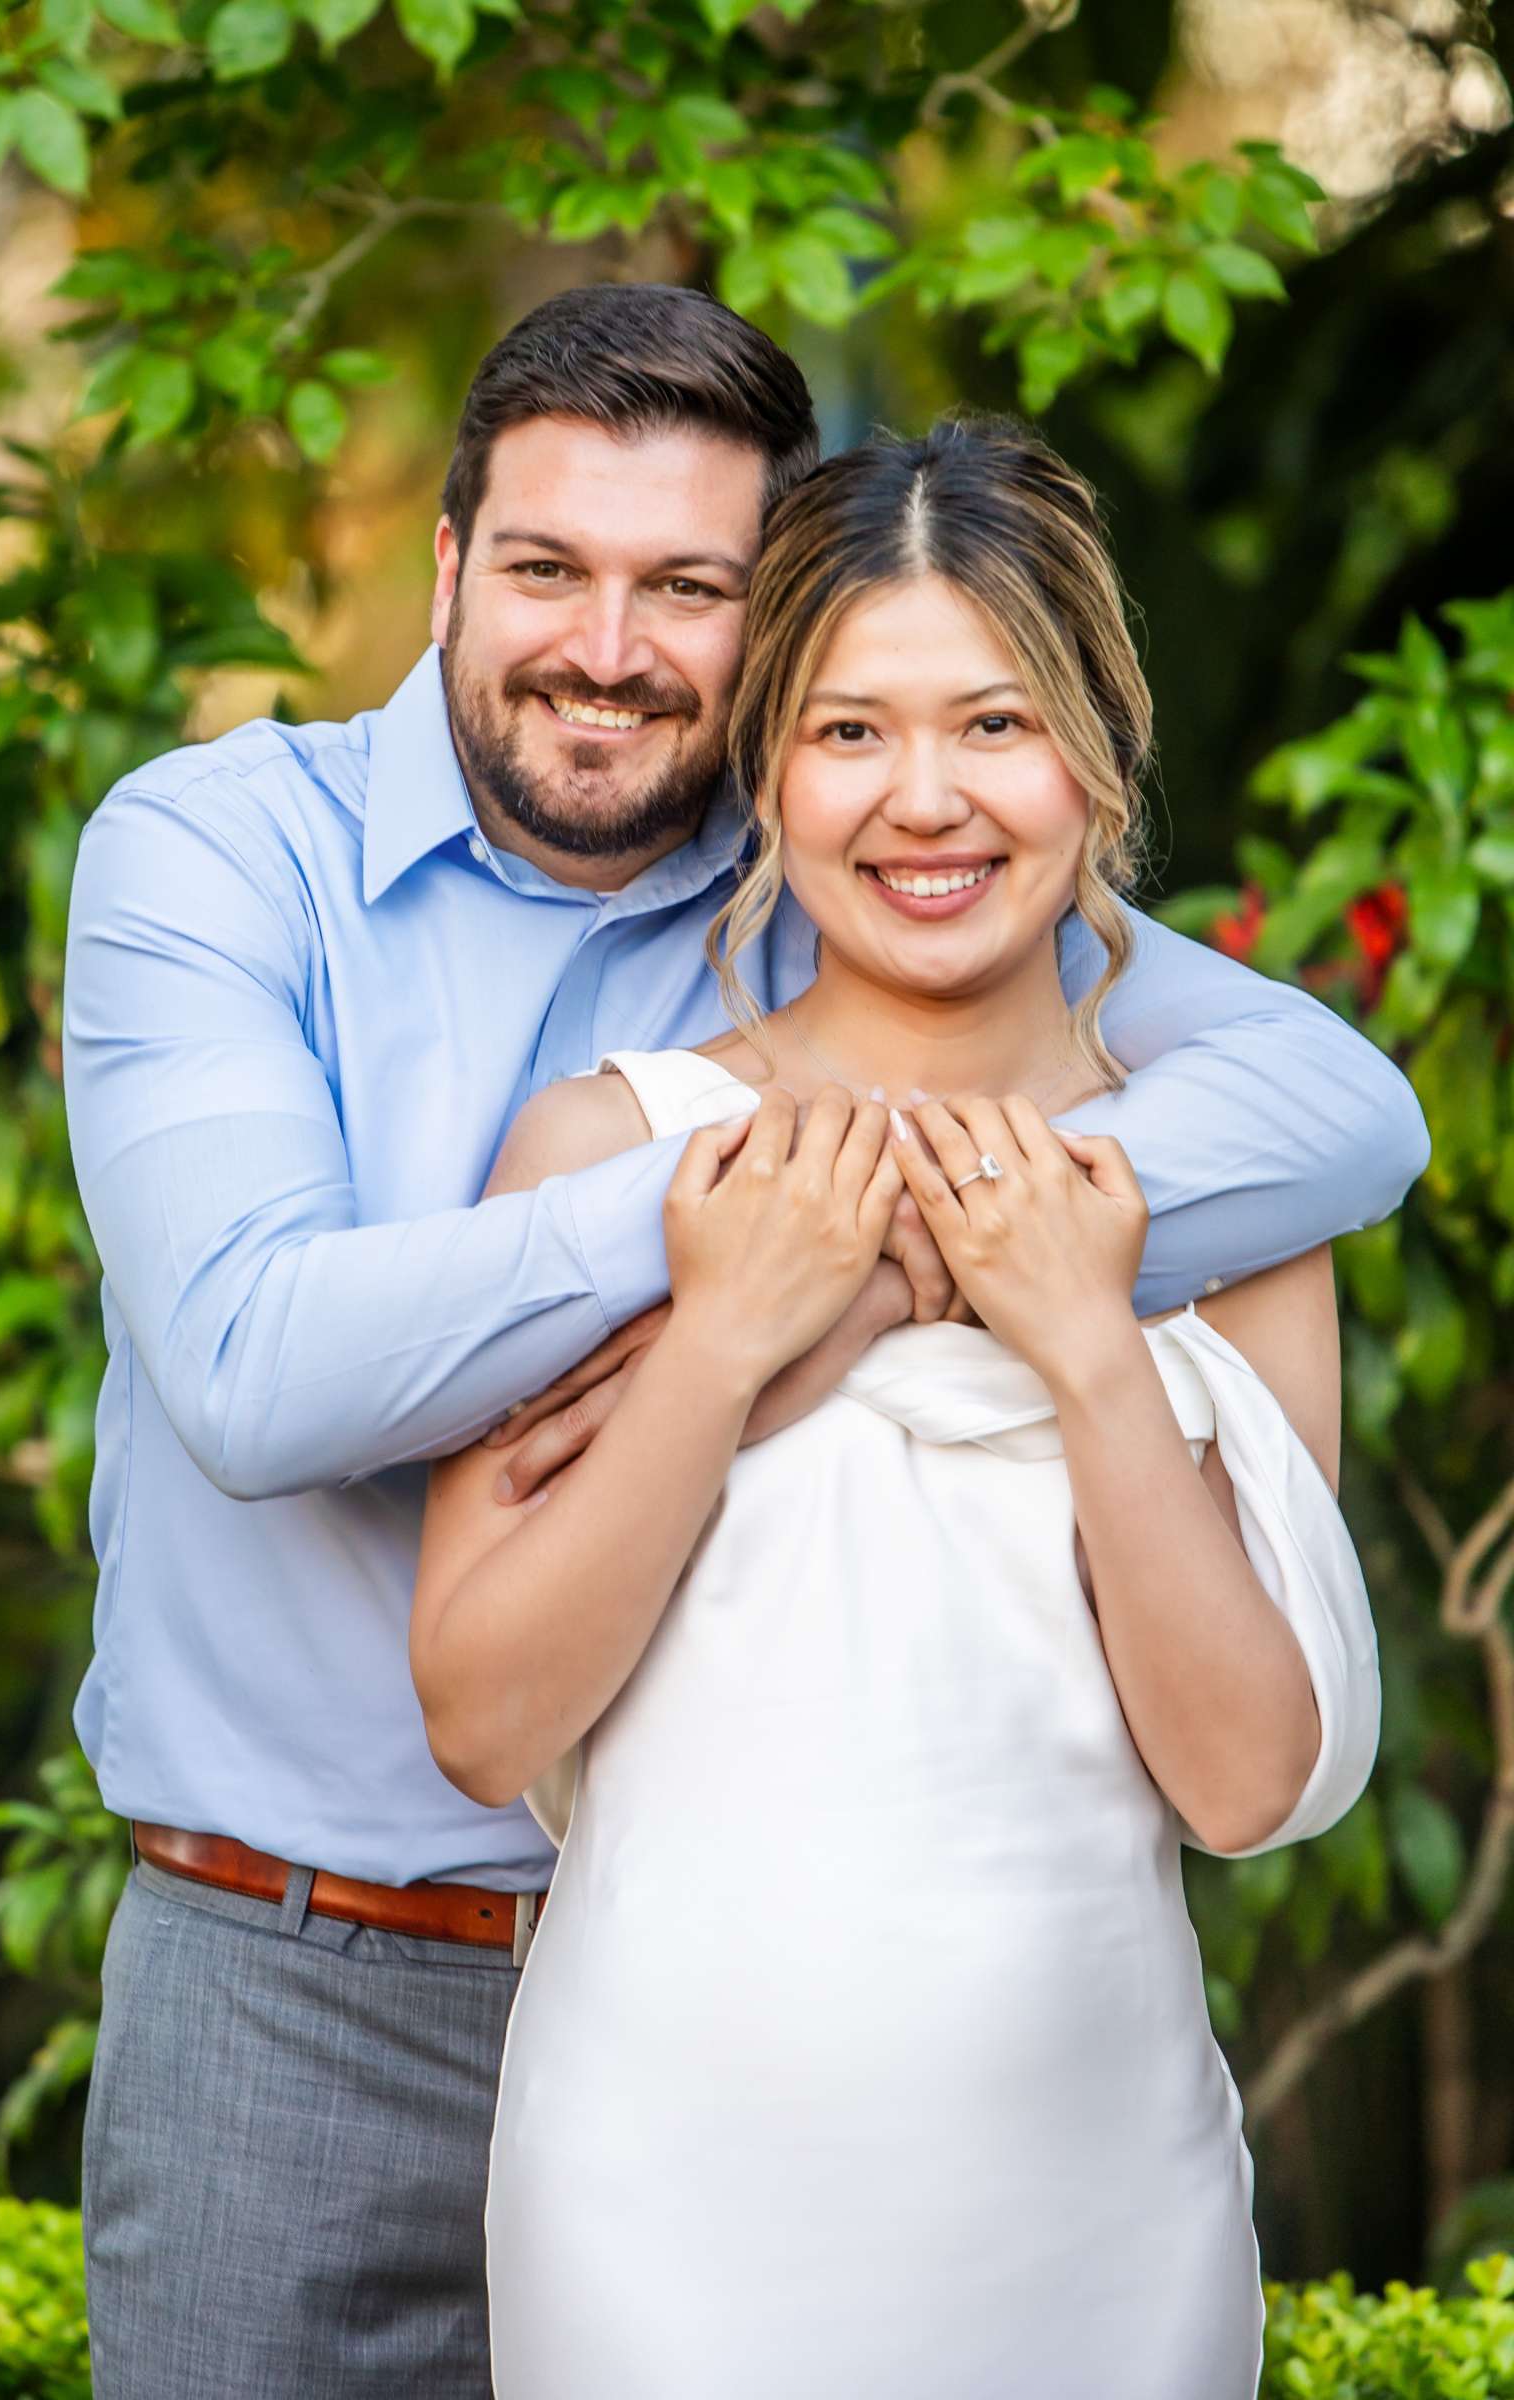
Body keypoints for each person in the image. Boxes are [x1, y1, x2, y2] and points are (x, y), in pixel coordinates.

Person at [64, 284, 1422, 2399]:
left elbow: (1344, 1113)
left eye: (685, 585)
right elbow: (250, 1374)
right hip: (313, 1970)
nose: (606, 645)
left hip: (998, 2130)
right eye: (544, 568)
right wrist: (728, 1290)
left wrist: (901, 1268)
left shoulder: (860, 873)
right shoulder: (221, 856)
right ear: (446, 566)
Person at [410, 418, 1385, 2400]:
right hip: (657, 2211)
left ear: (1095, 749)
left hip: (1092, 2220)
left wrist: (1087, 1342)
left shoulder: (1221, 1202)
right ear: (762, 761)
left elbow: (1245, 1783)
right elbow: (483, 1715)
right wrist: (727, 1334)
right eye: (847, 731)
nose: (921, 801)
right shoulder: (614, 1150)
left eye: (992, 723)